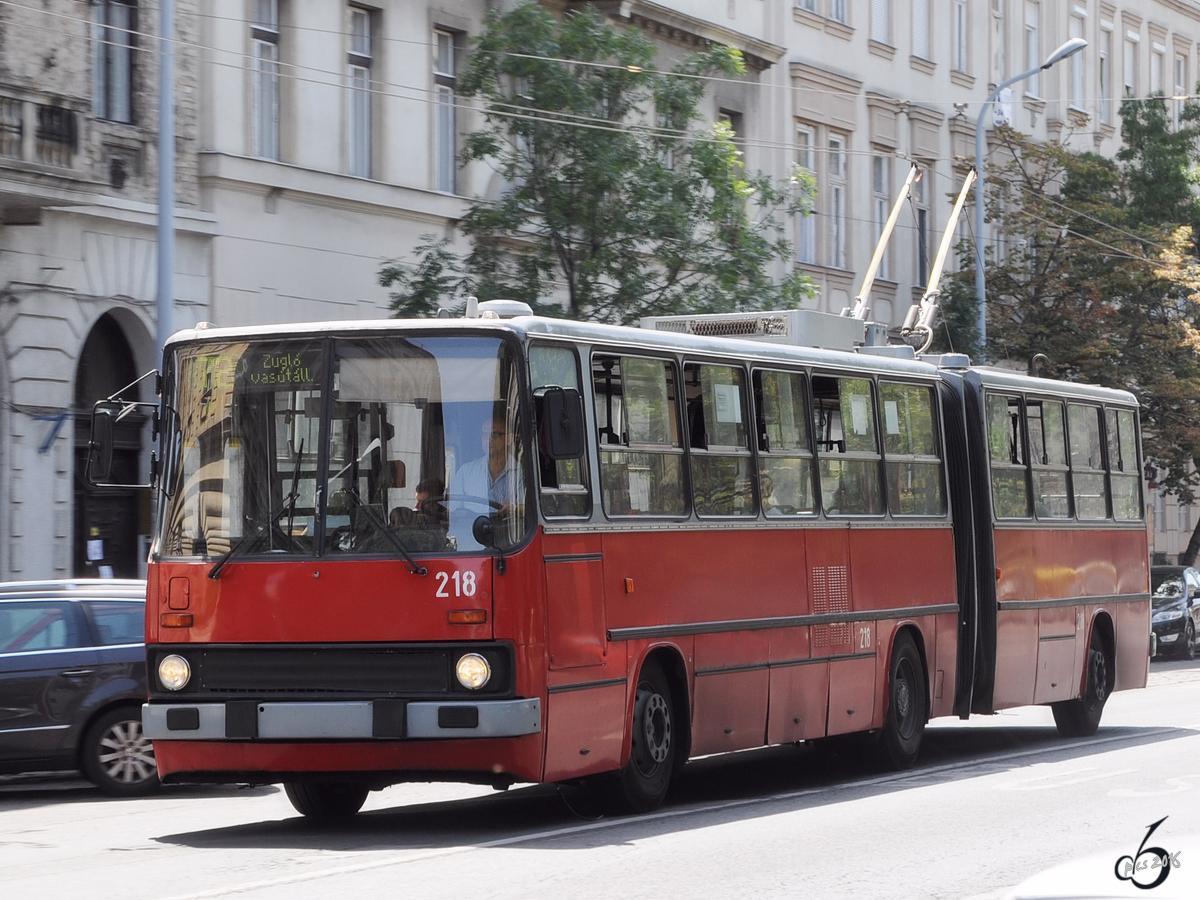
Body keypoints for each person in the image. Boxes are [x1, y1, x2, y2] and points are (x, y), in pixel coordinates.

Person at [448, 408, 522, 547]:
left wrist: (515, 509)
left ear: (509, 439)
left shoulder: (521, 473)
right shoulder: (466, 472)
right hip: (471, 547)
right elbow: (451, 512)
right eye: (484, 434)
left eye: (494, 434)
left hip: (510, 545)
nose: (488, 439)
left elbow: (529, 509)